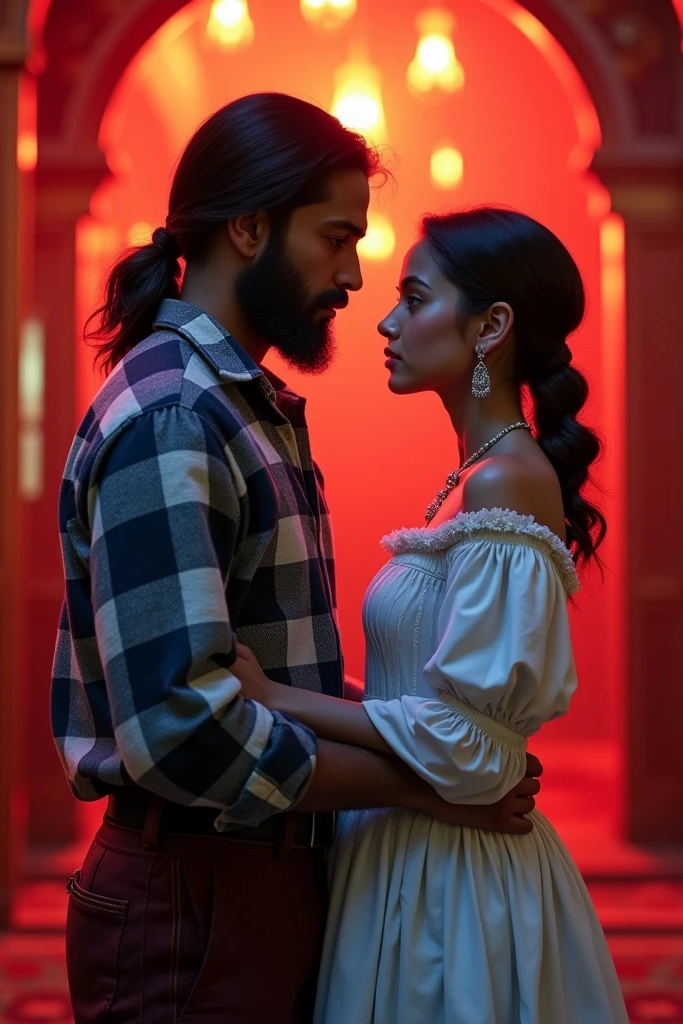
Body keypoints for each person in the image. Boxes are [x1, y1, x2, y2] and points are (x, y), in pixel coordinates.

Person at [51, 97, 542, 1024]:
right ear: (248, 226)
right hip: (193, 900)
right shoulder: (174, 416)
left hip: (259, 881)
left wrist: (452, 755)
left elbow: (278, 679)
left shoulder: (242, 404)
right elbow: (184, 730)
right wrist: (435, 785)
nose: (355, 276)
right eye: (337, 236)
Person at [232, 207, 629, 1023]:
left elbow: (477, 752)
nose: (384, 318)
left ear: (492, 326)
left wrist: (273, 698)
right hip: (405, 851)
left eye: (414, 298)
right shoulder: (474, 480)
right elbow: (429, 696)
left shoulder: (504, 483)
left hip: (452, 879)